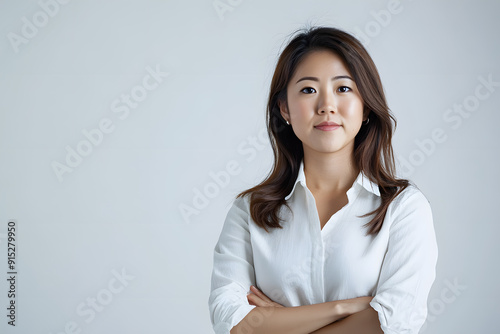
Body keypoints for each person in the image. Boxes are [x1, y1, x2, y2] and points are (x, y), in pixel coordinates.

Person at [208, 25, 438, 334]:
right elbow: (231, 322)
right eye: (308, 90)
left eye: (343, 88)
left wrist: (282, 322)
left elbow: (396, 321)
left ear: (366, 104)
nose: (327, 106)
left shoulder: (404, 208)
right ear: (284, 108)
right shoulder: (249, 211)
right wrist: (344, 308)